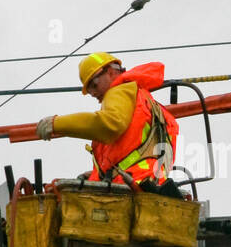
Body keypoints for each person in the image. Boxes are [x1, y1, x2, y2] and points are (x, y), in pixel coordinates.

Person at [36, 52, 179, 190]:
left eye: (94, 84)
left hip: (130, 185)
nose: (92, 93)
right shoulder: (142, 99)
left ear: (110, 73)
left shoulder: (119, 90)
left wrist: (56, 124)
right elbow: (128, 152)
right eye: (89, 90)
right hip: (148, 184)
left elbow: (110, 125)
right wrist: (95, 176)